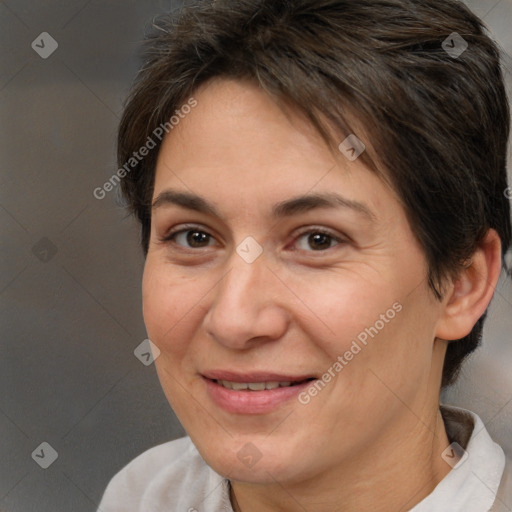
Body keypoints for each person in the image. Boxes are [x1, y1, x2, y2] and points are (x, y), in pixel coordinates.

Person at [98, 0, 512, 510]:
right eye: (194, 237)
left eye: (318, 240)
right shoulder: (141, 496)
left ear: (460, 285)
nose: (234, 320)